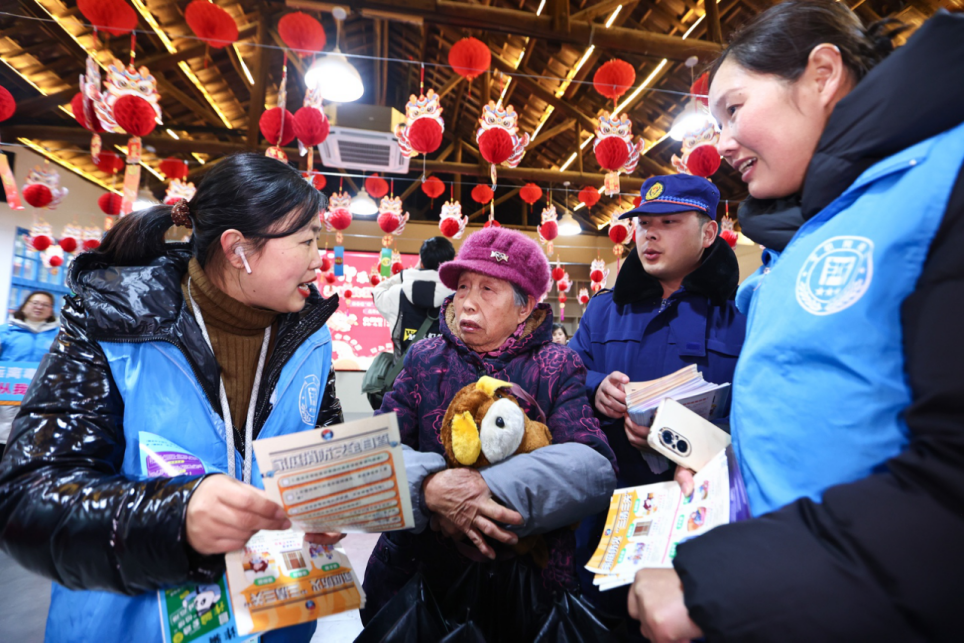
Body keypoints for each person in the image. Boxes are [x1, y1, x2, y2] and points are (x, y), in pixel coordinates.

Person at [628, 4, 964, 642]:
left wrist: (720, 582)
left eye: (733, 108)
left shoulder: (945, 177)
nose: (720, 142)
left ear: (822, 74)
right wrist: (718, 464)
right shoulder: (799, 239)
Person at [0, 154, 345, 643]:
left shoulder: (310, 336)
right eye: (307, 240)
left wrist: (329, 504)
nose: (318, 257)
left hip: (277, 616)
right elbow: (26, 499)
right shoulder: (112, 324)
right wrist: (174, 516)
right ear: (238, 249)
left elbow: (321, 451)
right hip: (132, 625)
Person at [360, 227, 617, 639]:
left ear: (524, 307)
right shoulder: (426, 358)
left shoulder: (556, 366)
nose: (467, 301)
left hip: (527, 590)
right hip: (419, 582)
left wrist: (485, 490)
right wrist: (428, 488)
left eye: (487, 289)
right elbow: (373, 450)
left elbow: (593, 467)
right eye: (462, 286)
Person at [568, 173, 746, 626]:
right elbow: (563, 377)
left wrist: (677, 434)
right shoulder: (604, 310)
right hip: (606, 513)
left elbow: (755, 419)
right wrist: (596, 386)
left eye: (668, 221)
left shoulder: (737, 321)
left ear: (708, 233)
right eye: (643, 222)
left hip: (696, 517)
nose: (649, 233)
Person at [373, 235, 455, 357]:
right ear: (449, 265)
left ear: (421, 263)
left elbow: (378, 290)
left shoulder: (396, 294)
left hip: (402, 374)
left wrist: (403, 275)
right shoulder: (458, 299)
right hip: (443, 375)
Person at [0, 291, 59, 449]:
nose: (39, 307)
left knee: (32, 444)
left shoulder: (60, 336)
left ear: (51, 310)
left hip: (42, 399)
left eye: (45, 305)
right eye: (34, 303)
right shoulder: (5, 331)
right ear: (25, 305)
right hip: (7, 398)